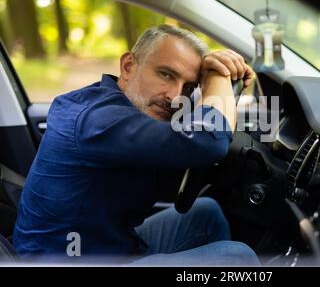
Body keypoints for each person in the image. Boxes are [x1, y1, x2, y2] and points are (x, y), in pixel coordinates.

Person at [13, 25, 259, 266]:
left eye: (189, 87)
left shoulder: (120, 108)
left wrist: (215, 89)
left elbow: (198, 135)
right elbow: (208, 141)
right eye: (166, 74)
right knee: (236, 256)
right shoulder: (98, 119)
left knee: (206, 215)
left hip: (110, 247)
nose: (175, 97)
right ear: (129, 66)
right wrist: (219, 76)